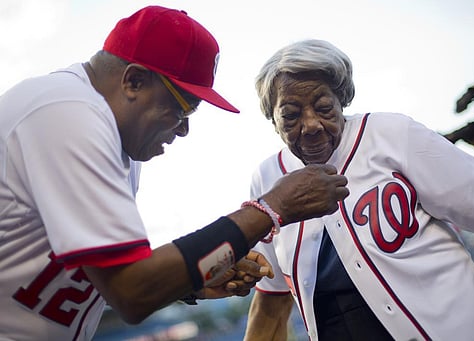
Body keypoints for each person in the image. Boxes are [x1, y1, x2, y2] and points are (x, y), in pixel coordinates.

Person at [0, 7, 350, 341]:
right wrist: (271, 209)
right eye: (183, 109)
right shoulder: (68, 114)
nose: (183, 131)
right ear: (134, 81)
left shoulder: (113, 136)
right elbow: (131, 291)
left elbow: (100, 272)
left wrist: (189, 279)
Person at [243, 39, 474, 341]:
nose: (311, 124)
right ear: (273, 120)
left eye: (323, 107)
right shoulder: (267, 178)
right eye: (290, 114)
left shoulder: (392, 135)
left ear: (341, 99)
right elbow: (271, 300)